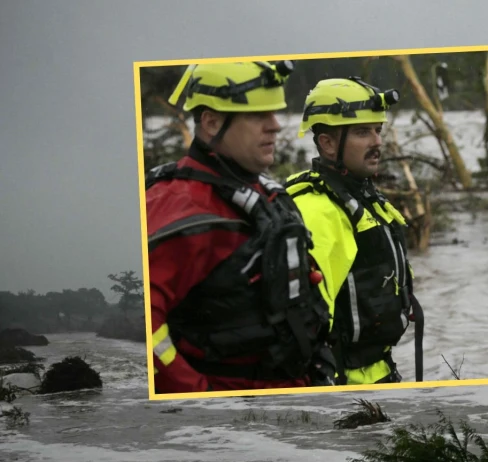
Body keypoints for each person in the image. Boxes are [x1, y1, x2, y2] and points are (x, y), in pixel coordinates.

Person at [145, 61, 335, 393]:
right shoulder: (179, 207)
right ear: (211, 122)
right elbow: (143, 325)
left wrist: (322, 366)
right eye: (258, 115)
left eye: (274, 113)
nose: (275, 126)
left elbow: (304, 300)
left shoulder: (271, 197)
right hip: (230, 410)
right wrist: (200, 395)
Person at [286, 77, 418, 385]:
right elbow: (306, 325)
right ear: (328, 143)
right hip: (344, 383)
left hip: (380, 373)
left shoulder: (362, 199)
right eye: (362, 132)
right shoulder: (317, 211)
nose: (377, 142)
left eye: (378, 130)